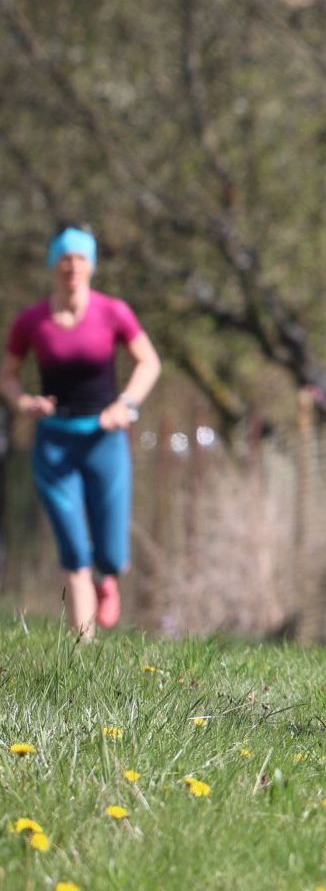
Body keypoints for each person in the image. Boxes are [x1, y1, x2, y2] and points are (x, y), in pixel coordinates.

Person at [1, 224, 161, 639]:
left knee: (110, 549)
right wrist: (25, 402)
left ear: (91, 265)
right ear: (53, 264)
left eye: (80, 258)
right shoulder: (32, 321)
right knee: (73, 549)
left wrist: (126, 405)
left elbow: (149, 362)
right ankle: (81, 652)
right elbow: (7, 375)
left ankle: (108, 576)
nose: (72, 266)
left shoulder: (114, 312)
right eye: (65, 258)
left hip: (104, 437)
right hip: (55, 441)